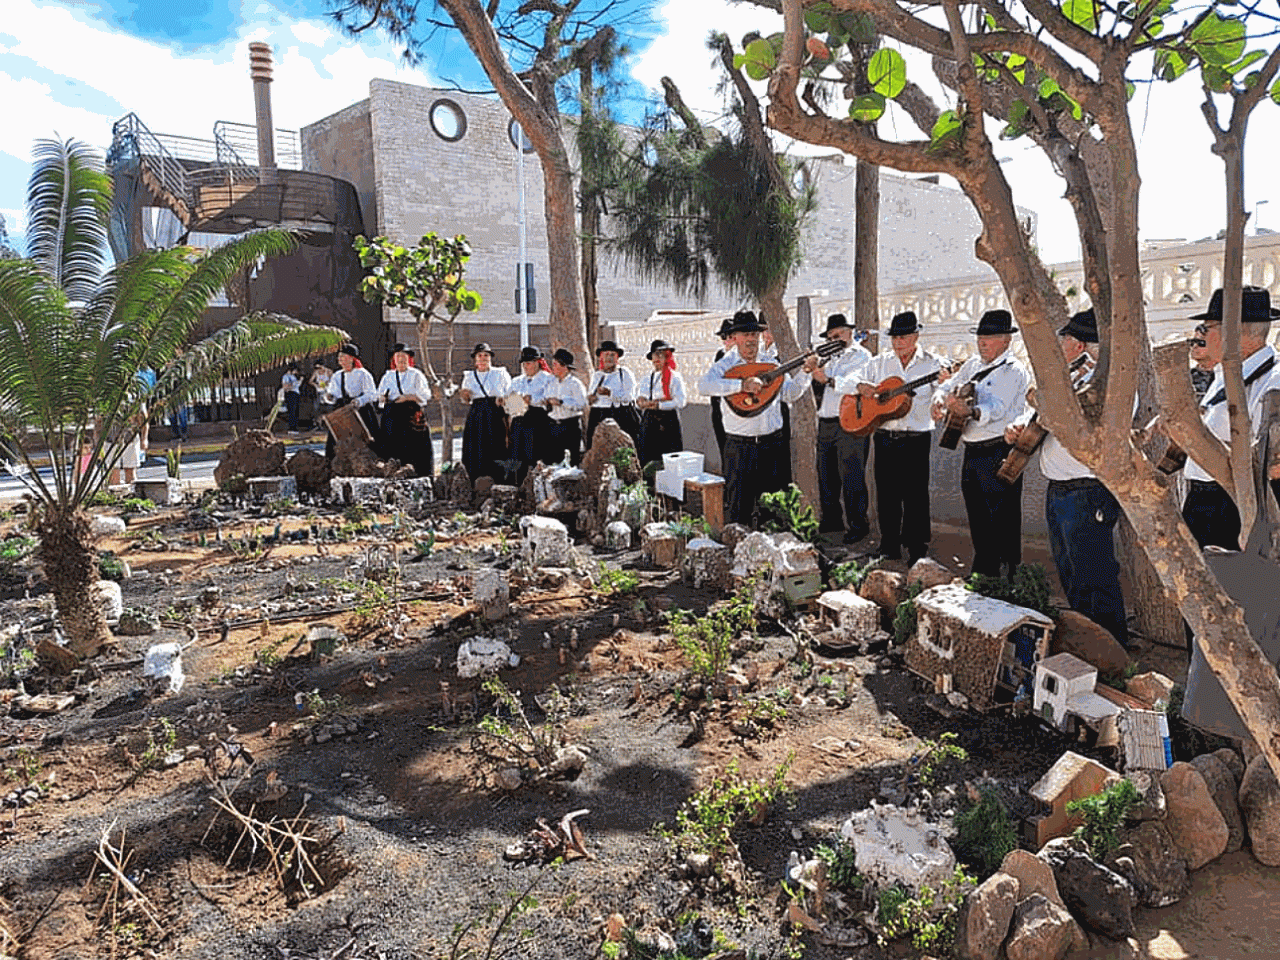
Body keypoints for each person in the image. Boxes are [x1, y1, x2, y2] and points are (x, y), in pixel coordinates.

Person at [1005, 308, 1128, 647]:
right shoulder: (1070, 378)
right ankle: (1086, 642)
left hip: (1087, 490)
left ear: (1078, 345)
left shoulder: (1106, 383)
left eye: (1064, 340)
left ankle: (1110, 648)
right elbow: (1038, 416)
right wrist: (1019, 426)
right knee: (1070, 570)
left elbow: (1093, 428)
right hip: (1060, 489)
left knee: (1093, 573)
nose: (1059, 346)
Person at [932, 309, 1029, 579]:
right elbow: (948, 385)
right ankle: (984, 571)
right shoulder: (973, 365)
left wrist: (970, 411)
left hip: (999, 450)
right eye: (980, 337)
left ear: (1006, 340)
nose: (982, 342)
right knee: (977, 513)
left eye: (990, 337)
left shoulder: (1013, 371)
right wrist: (939, 400)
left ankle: (1006, 575)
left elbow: (996, 408)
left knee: (1002, 515)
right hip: (973, 450)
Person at [1182, 286, 1280, 549]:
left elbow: (1270, 461)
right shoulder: (1225, 375)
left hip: (1237, 507)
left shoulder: (1274, 381)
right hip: (1204, 502)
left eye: (1206, 328)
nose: (1201, 337)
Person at [698, 311, 816, 526]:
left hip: (772, 445)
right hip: (739, 447)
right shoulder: (725, 365)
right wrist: (741, 385)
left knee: (772, 508)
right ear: (735, 337)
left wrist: (806, 372)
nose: (750, 339)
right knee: (738, 508)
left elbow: (790, 394)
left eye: (754, 334)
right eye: (745, 334)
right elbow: (704, 386)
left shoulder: (771, 364)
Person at [848, 311, 948, 563]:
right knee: (886, 493)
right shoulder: (880, 362)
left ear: (916, 336)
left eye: (903, 337)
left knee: (915, 494)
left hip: (916, 437)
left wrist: (939, 401)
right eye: (894, 337)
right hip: (885, 435)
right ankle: (888, 545)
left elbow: (945, 389)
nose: (898, 342)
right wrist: (861, 386)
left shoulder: (933, 363)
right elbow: (852, 379)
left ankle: (917, 547)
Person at [809, 313, 873, 543]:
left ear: (849, 333)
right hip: (826, 421)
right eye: (830, 337)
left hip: (851, 422)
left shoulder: (862, 356)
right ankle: (831, 520)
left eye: (838, 335)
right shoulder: (828, 357)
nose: (834, 340)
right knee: (826, 474)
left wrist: (826, 378)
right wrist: (814, 369)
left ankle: (858, 524)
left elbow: (854, 384)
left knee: (851, 475)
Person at [376, 342, 434, 477]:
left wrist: (410, 397)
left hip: (411, 412)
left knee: (415, 445)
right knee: (392, 444)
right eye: (398, 356)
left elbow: (426, 395)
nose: (401, 359)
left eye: (404, 356)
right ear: (394, 360)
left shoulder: (416, 374)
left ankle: (418, 472)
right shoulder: (388, 376)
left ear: (409, 359)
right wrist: (383, 398)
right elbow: (379, 395)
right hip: (392, 414)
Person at [459, 342, 511, 483]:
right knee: (476, 445)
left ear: (490, 358)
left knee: (497, 444)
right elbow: (465, 400)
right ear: (475, 359)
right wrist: (464, 395)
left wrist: (503, 400)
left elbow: (510, 393)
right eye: (479, 356)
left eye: (486, 355)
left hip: (495, 412)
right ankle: (476, 478)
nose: (483, 359)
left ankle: (498, 478)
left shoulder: (500, 373)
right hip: (477, 413)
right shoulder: (470, 376)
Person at [506, 346, 556, 484]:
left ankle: (537, 483)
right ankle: (518, 483)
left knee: (535, 453)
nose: (526, 366)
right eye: (524, 363)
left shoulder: (548, 379)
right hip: (518, 420)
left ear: (537, 363)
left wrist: (533, 400)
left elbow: (551, 399)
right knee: (517, 454)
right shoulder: (517, 381)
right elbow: (508, 398)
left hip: (538, 421)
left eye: (529, 363)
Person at [323, 343, 379, 461]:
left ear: (351, 358)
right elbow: (333, 394)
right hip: (343, 411)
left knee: (367, 438)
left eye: (343, 356)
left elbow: (372, 394)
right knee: (336, 437)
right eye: (339, 356)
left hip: (361, 410)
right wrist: (330, 397)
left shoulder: (363, 374)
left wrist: (358, 401)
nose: (339, 359)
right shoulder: (337, 375)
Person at [636, 339, 687, 469]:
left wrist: (659, 405)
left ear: (667, 357)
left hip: (668, 419)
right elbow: (641, 396)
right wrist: (642, 402)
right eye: (655, 354)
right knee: (647, 453)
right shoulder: (647, 378)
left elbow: (680, 401)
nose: (657, 358)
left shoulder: (675, 377)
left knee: (669, 455)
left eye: (661, 354)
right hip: (650, 419)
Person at [586, 340, 639, 449]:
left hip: (620, 414)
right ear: (601, 357)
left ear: (617, 357)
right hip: (599, 415)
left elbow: (629, 397)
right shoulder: (597, 375)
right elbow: (591, 395)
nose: (609, 358)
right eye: (606, 355)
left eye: (612, 355)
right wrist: (591, 398)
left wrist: (610, 393)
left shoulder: (625, 374)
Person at [544, 348, 588, 466]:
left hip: (570, 426)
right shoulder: (551, 382)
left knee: (571, 461)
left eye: (555, 364)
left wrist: (562, 402)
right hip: (553, 425)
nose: (552, 367)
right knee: (554, 460)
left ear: (564, 366)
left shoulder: (575, 384)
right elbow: (546, 397)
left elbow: (581, 404)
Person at [709, 318, 735, 467]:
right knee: (723, 448)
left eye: (730, 336)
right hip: (719, 408)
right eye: (724, 337)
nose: (726, 341)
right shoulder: (720, 355)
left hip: (735, 409)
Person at [281, 363, 302, 434]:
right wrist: (293, 384)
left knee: (296, 411)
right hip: (291, 394)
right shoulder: (286, 376)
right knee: (292, 411)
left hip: (296, 394)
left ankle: (295, 427)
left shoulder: (293, 376)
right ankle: (291, 428)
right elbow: (285, 386)